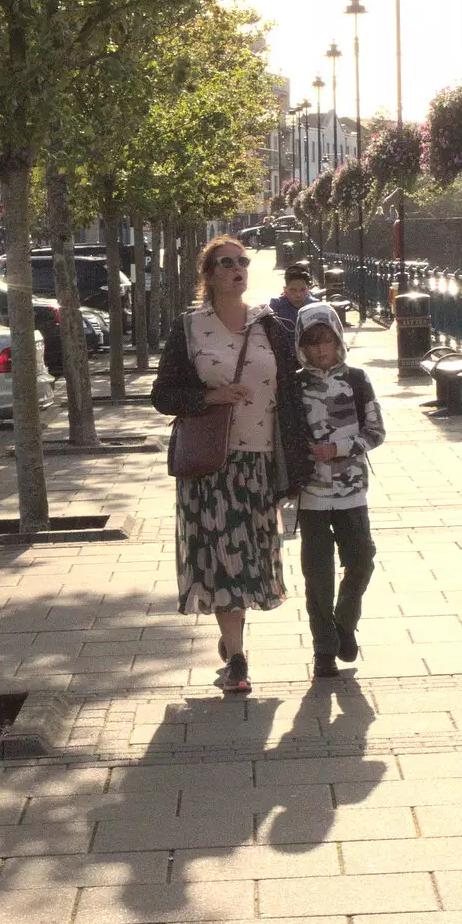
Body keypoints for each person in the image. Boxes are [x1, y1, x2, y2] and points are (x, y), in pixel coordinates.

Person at [153, 236, 313, 693]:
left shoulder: (270, 327)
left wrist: (300, 461)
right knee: (223, 559)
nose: (238, 268)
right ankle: (238, 658)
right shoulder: (190, 328)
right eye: (227, 263)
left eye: (243, 261)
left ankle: (233, 637)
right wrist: (209, 396)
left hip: (260, 462)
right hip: (210, 465)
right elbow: (163, 395)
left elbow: (292, 395)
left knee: (250, 560)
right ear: (209, 275)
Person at [292, 302, 385, 679]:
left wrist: (341, 449)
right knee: (318, 574)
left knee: (361, 559)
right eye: (311, 343)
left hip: (352, 491)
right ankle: (324, 650)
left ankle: (344, 622)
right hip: (311, 494)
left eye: (326, 340)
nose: (319, 349)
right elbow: (285, 436)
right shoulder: (294, 385)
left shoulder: (358, 380)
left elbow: (376, 432)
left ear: (338, 339)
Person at [270, 267, 313, 333]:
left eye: (303, 290)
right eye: (293, 290)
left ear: (308, 289)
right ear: (285, 290)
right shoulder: (276, 305)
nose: (298, 294)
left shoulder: (315, 305)